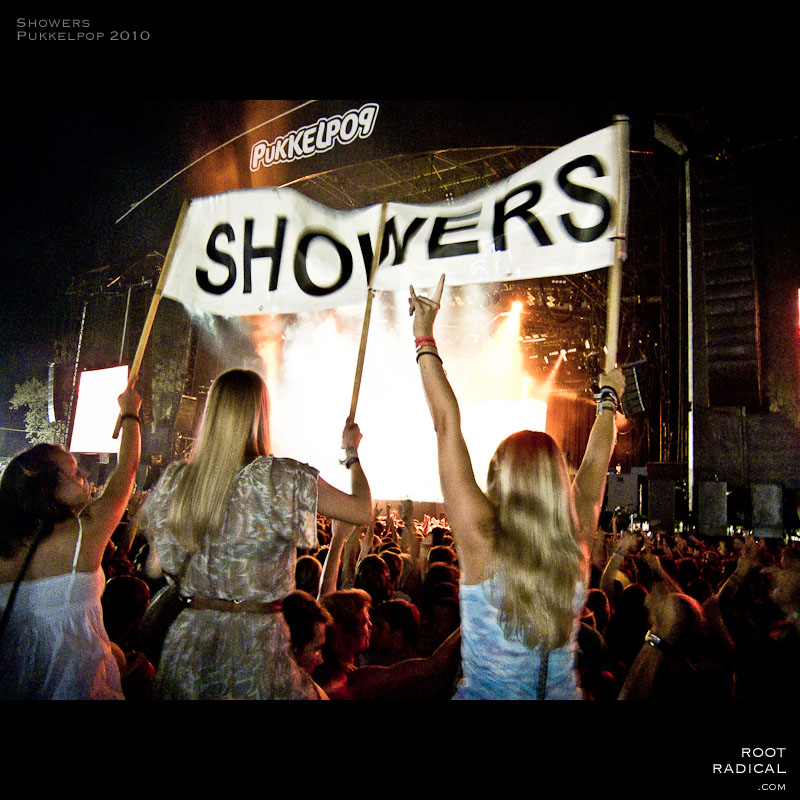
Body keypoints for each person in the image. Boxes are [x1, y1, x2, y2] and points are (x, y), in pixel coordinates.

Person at [408, 275, 624, 699]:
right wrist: (608, 399)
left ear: (499, 477)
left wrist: (423, 336)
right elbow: (598, 458)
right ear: (558, 479)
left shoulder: (481, 538)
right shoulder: (577, 538)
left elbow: (446, 423)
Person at [137, 368, 372, 699]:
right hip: (255, 643)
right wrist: (351, 453)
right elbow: (361, 510)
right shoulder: (281, 477)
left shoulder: (179, 480)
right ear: (261, 416)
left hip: (191, 639)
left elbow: (160, 566)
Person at [0, 387, 142, 699]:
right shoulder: (82, 535)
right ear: (47, 485)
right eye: (74, 471)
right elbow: (127, 471)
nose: (84, 475)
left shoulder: (4, 547)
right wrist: (130, 413)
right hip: (77, 682)